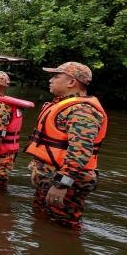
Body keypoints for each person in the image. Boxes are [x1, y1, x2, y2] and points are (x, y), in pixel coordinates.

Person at [24, 62, 108, 228]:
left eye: (56, 76)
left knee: (63, 229)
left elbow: (80, 151)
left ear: (71, 82)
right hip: (51, 180)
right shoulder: (65, 106)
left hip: (64, 184)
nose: (51, 80)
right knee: (43, 225)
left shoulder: (82, 110)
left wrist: (62, 183)